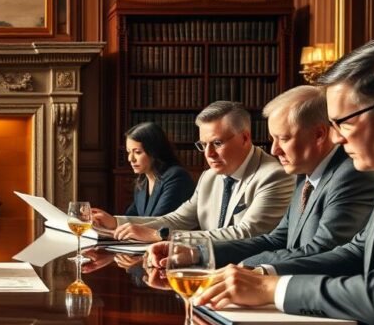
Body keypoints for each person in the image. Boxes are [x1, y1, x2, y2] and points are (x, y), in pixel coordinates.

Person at [196, 37, 374, 325]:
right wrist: (263, 274)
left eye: (342, 123)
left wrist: (269, 288)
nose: (336, 138)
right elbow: (356, 252)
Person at [147, 86, 374, 268]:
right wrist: (197, 253)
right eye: (273, 139)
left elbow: (321, 252)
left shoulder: (352, 175)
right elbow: (275, 240)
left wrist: (250, 270)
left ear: (319, 134)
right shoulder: (305, 173)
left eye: (283, 139)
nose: (274, 150)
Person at [92, 101, 294, 242]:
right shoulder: (209, 177)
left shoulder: (274, 176)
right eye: (203, 145)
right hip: (207, 268)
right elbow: (177, 219)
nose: (209, 154)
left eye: (217, 143)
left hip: (247, 274)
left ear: (245, 138)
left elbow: (245, 234)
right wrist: (116, 222)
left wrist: (160, 235)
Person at [116, 122, 194, 217]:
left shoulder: (177, 176)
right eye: (128, 152)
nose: (130, 159)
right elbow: (130, 217)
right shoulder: (142, 182)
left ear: (154, 151)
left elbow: (159, 220)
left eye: (137, 152)